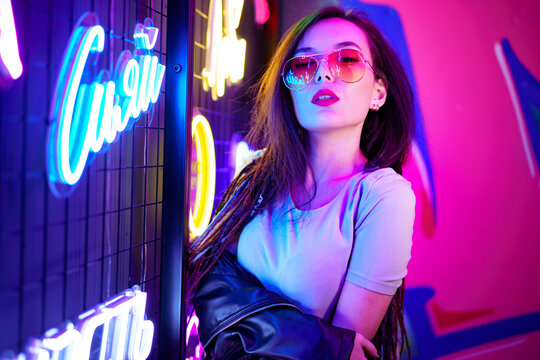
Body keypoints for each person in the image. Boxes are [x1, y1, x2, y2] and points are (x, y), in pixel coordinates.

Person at [189, 6, 415, 360]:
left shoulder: (383, 196)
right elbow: (206, 283)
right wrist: (310, 338)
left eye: (348, 60)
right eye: (304, 64)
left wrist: (250, 321)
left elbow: (346, 351)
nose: (324, 75)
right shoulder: (257, 179)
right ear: (288, 90)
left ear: (379, 93)